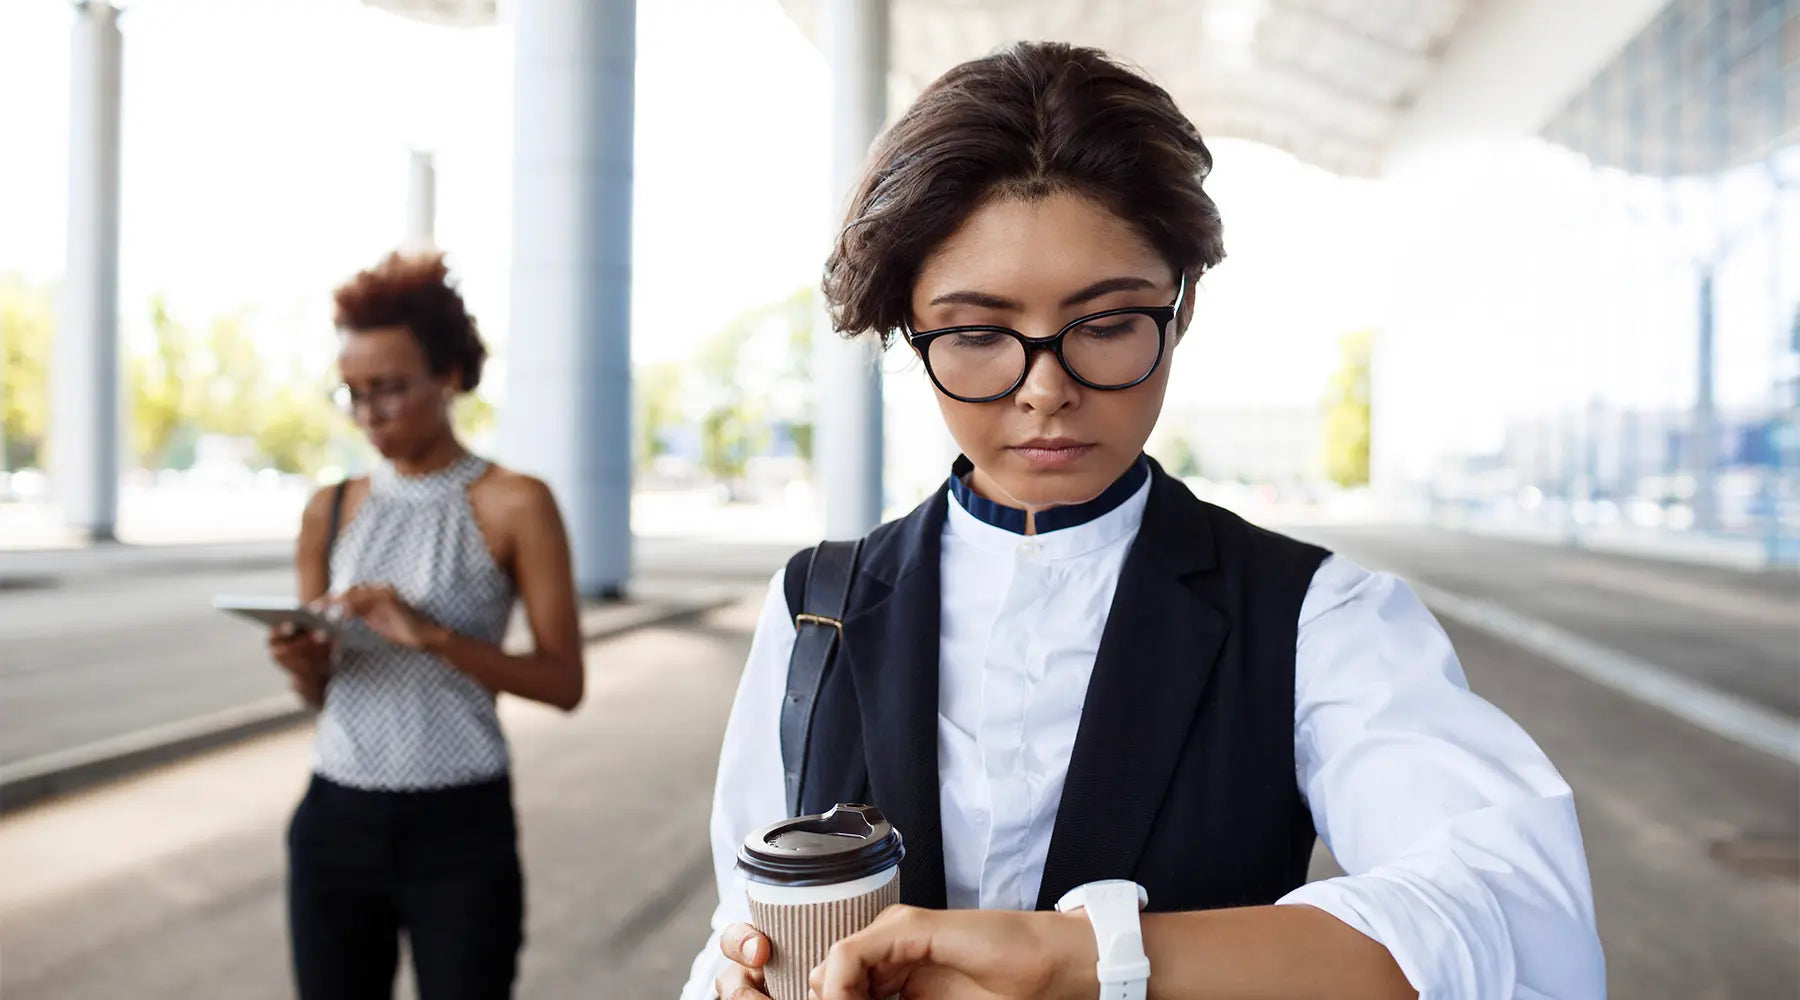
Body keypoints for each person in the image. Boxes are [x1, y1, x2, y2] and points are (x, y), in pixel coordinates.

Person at [682, 42, 1604, 1000]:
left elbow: (1517, 912)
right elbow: (735, 927)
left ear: (1183, 307)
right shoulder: (814, 606)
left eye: (1108, 323)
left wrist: (1088, 962)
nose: (1044, 392)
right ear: (910, 330)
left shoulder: (1317, 616)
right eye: (976, 334)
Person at [267, 250, 585, 1000]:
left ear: (448, 376)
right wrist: (302, 662)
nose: (370, 412)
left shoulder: (515, 503)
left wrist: (430, 634)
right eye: (353, 393)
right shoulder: (329, 509)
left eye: (389, 388)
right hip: (334, 820)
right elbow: (321, 697)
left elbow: (564, 683)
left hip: (459, 828)